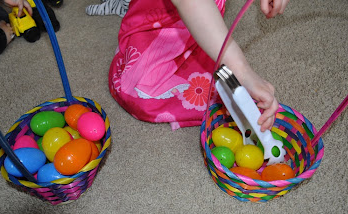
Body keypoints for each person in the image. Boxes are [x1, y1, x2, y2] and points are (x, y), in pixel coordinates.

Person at [104, 0, 289, 131]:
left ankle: (208, 33)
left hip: (198, 17)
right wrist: (241, 70)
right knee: (142, 93)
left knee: (222, 88)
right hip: (158, 24)